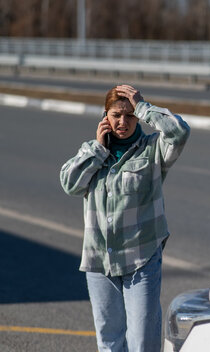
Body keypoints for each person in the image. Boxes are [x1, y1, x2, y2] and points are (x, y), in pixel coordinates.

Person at [60, 84, 190, 351]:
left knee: (142, 340)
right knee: (109, 340)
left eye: (129, 116)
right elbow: (69, 184)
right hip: (99, 261)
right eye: (116, 115)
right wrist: (97, 149)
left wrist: (143, 106)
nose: (122, 122)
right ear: (104, 117)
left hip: (141, 257)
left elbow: (179, 132)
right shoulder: (93, 151)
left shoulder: (152, 149)